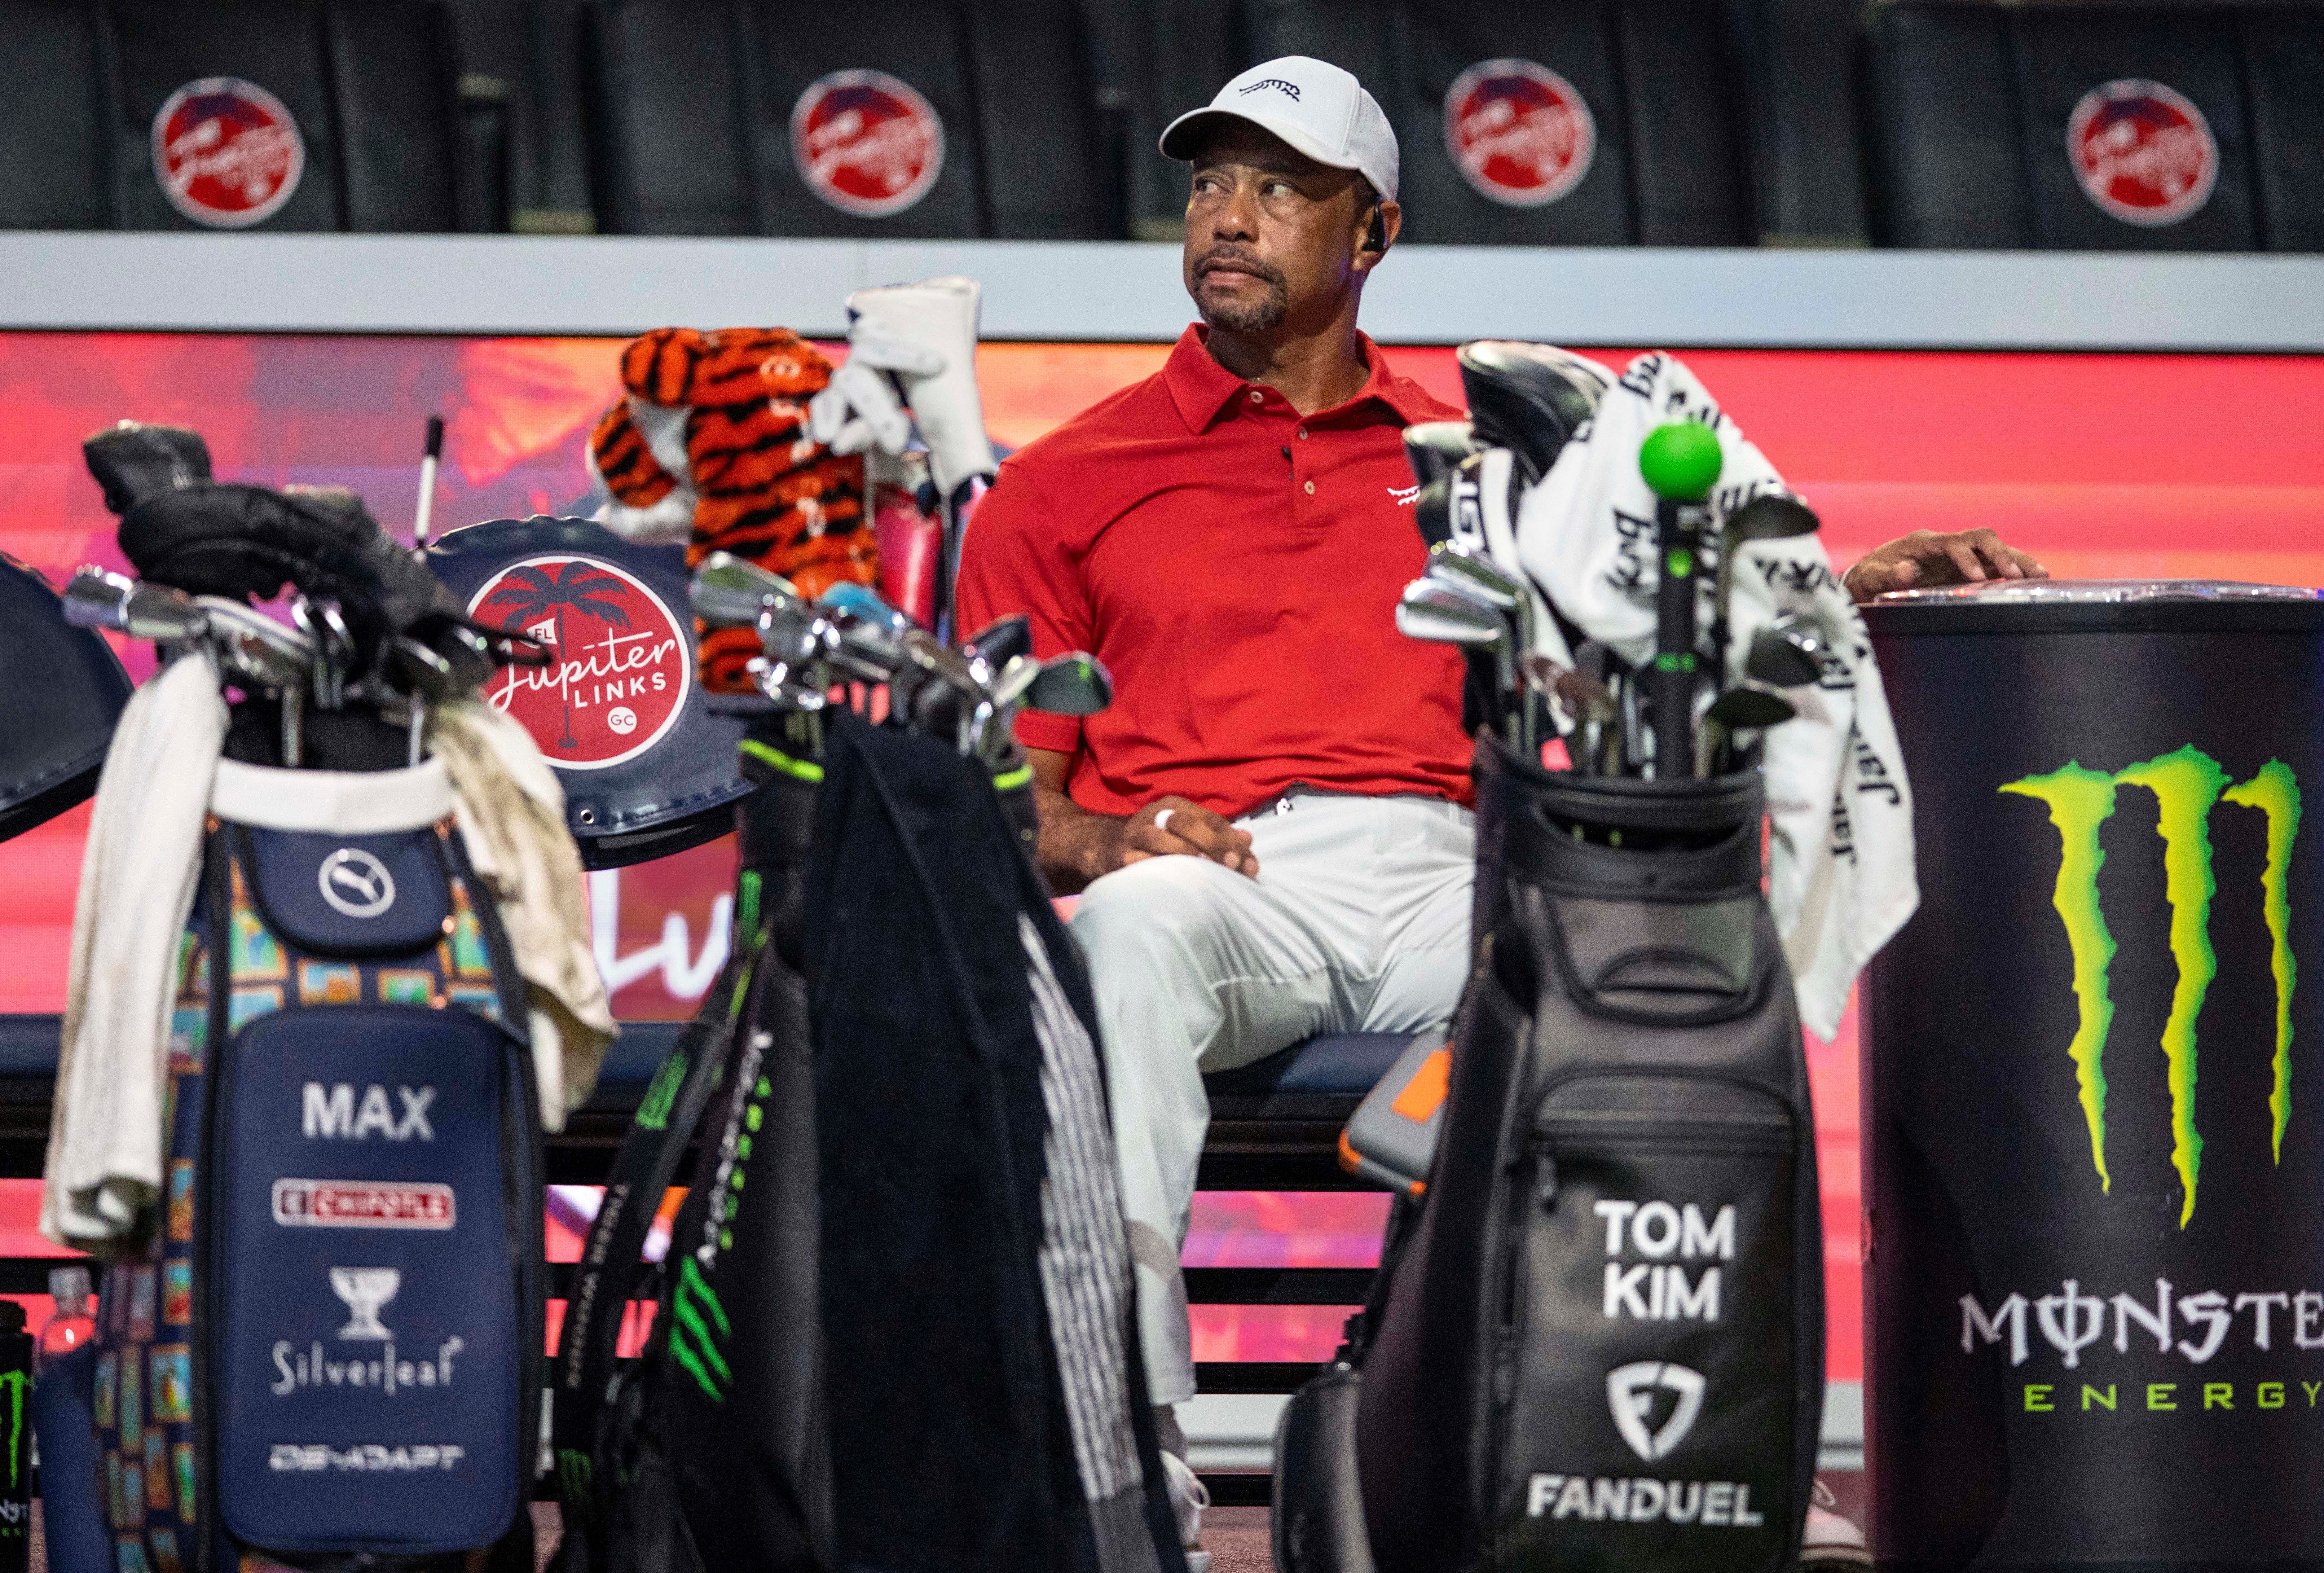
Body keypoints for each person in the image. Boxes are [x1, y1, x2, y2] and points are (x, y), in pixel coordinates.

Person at [953, 55, 2046, 1567]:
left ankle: (1721, 1460)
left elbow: (1673, 591)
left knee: (1684, 966)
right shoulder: (1065, 483)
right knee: (1125, 936)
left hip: (1467, 878)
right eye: (1210, 183)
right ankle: (1128, 1483)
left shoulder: (1512, 436)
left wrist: (1845, 590)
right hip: (1223, 878)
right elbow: (1016, 803)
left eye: (1279, 188)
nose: (1229, 218)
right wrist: (1113, 839)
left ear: (1373, 233)